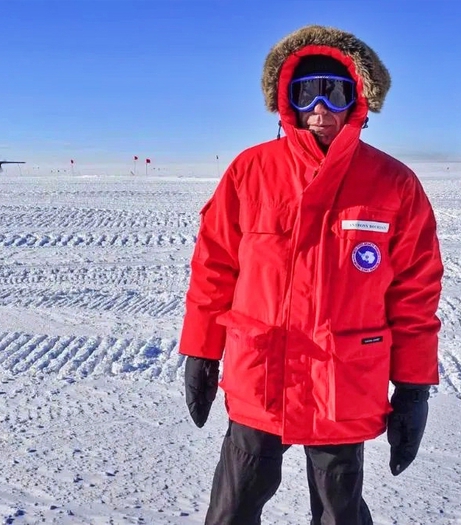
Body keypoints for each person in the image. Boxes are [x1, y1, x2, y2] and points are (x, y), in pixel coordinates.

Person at [179, 24, 443, 525]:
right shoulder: (250, 171)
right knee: (232, 509)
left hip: (340, 385)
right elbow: (214, 268)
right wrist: (201, 350)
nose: (320, 108)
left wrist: (413, 387)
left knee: (340, 513)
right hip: (260, 377)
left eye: (335, 91)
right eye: (306, 93)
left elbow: (415, 292)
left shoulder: (394, 183)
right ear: (288, 101)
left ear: (357, 100)